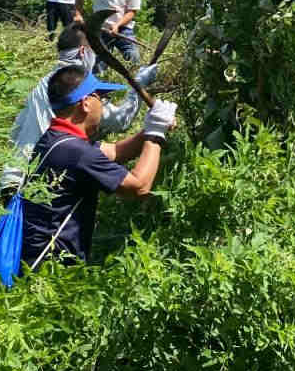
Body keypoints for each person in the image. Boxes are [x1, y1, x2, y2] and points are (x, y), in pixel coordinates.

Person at [19, 64, 178, 267]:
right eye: (100, 98)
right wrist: (156, 134)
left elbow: (115, 152)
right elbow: (139, 187)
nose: (103, 105)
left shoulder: (55, 139)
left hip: (35, 255)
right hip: (51, 266)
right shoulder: (76, 152)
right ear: (85, 103)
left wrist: (149, 128)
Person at [0, 24, 160, 198]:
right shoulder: (76, 87)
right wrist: (139, 87)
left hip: (15, 178)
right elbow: (120, 121)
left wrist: (151, 131)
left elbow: (17, 132)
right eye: (95, 51)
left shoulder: (49, 82)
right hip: (42, 184)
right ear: (83, 52)